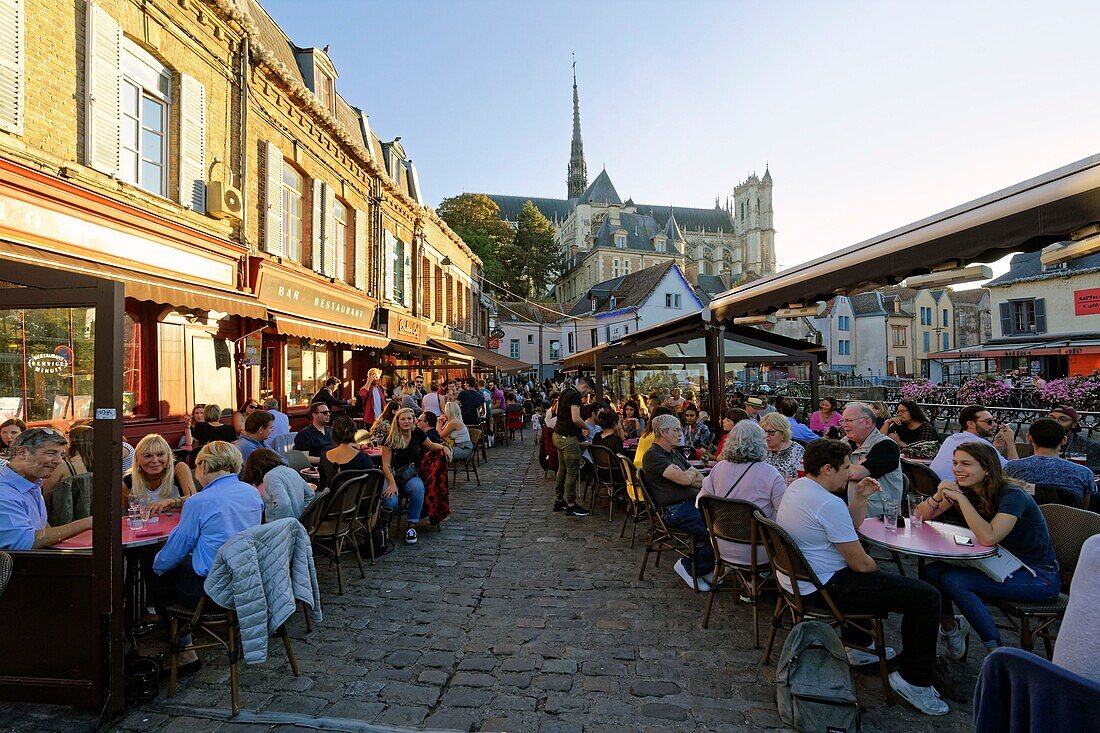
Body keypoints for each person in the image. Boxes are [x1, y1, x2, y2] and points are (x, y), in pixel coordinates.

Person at [776, 439, 948, 715]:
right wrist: (885, 582)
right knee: (926, 597)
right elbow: (862, 565)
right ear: (828, 469)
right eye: (846, 467)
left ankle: (860, 645)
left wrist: (859, 497)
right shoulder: (825, 502)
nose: (852, 472)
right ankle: (914, 679)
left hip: (801, 582)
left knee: (874, 579)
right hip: (824, 590)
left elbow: (847, 526)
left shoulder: (800, 488)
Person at [917, 441, 1060, 658]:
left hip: (1037, 576)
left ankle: (997, 651)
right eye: (955, 463)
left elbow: (989, 536)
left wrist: (961, 499)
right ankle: (950, 628)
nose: (957, 469)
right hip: (997, 562)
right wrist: (939, 495)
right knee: (931, 572)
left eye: (966, 464)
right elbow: (919, 517)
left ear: (986, 469)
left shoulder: (1012, 495)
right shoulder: (966, 488)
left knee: (955, 580)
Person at [151, 441, 264, 673]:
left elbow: (173, 552)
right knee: (176, 568)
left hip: (210, 592)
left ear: (202, 465)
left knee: (158, 574)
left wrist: (155, 565)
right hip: (247, 582)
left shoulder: (199, 502)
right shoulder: (251, 492)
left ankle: (185, 651)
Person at [641, 413, 714, 591]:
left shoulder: (672, 453)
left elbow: (696, 475)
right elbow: (685, 479)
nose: (680, 433)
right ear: (664, 432)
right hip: (675, 511)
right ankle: (689, 565)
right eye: (676, 430)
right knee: (719, 532)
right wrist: (688, 477)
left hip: (691, 503)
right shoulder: (654, 455)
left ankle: (704, 566)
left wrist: (688, 477)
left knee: (724, 525)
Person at [698, 420, 787, 565]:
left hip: (721, 545)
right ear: (761, 442)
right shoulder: (770, 473)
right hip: (760, 550)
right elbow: (784, 514)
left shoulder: (719, 468)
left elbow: (700, 502)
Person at [0, 428, 93, 550]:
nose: (59, 461)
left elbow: (42, 527)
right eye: (51, 453)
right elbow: (25, 541)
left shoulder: (32, 483)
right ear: (22, 452)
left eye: (61, 454)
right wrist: (87, 523)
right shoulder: (4, 493)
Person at [381, 408, 452, 545]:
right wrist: (391, 483)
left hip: (409, 474)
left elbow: (431, 445)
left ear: (414, 420)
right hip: (392, 475)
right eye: (403, 419)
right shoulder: (390, 438)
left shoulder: (417, 433)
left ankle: (411, 527)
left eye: (409, 418)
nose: (406, 421)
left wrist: (444, 448)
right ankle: (383, 526)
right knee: (391, 502)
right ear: (397, 421)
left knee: (418, 488)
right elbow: (386, 465)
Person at [1006, 418, 1096, 507]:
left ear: (1029, 438)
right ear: (1064, 440)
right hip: (1069, 520)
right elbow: (1084, 508)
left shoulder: (1012, 467)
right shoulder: (1083, 473)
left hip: (1025, 519)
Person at [841, 402, 903, 519]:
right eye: (842, 421)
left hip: (877, 517)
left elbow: (856, 473)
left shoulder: (887, 446)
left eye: (848, 420)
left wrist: (830, 467)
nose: (844, 425)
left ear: (867, 422)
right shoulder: (845, 442)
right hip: (847, 511)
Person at [930, 405, 1018, 481]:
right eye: (989, 422)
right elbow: (1014, 472)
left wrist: (994, 448)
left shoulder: (951, 439)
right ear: (971, 424)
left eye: (994, 420)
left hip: (937, 490)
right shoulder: (980, 443)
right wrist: (1010, 442)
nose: (995, 424)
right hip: (958, 494)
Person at [552, 376, 594, 516]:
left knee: (562, 469)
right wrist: (586, 427)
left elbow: (558, 412)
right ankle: (571, 504)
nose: (586, 395)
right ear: (585, 387)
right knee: (572, 471)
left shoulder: (566, 391)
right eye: (588, 392)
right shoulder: (575, 395)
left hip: (558, 435)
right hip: (568, 439)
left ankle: (559, 500)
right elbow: (576, 418)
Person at [241, 447, 316, 521]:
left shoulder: (271, 476)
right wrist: (302, 513)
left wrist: (278, 525)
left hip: (284, 527)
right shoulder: (290, 470)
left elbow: (283, 504)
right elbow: (310, 494)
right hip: (295, 522)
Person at [125, 434, 197, 506]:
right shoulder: (127, 482)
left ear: (168, 457)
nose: (155, 460)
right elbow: (130, 514)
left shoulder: (179, 468)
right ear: (137, 459)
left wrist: (170, 502)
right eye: (148, 456)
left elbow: (194, 499)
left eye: (160, 454)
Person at [319, 416, 374, 490]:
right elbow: (371, 484)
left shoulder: (324, 457)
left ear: (333, 434)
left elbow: (323, 484)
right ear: (353, 433)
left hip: (332, 500)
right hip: (357, 499)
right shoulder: (363, 458)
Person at [43, 424, 93, 497]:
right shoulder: (101, 463)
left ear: (71, 441)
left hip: (68, 507)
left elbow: (45, 492)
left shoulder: (64, 465)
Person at [1047, 405, 1100, 474]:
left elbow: (1094, 477)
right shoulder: (1038, 442)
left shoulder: (1090, 446)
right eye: (1051, 418)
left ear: (1074, 425)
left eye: (1062, 419)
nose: (1055, 422)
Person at [761, 412, 805, 486]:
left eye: (771, 432)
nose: (766, 435)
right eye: (763, 431)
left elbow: (803, 478)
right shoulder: (759, 448)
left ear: (783, 432)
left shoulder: (797, 451)